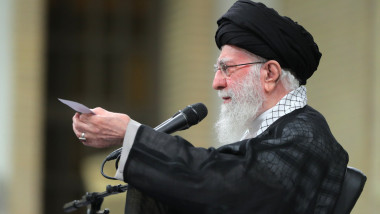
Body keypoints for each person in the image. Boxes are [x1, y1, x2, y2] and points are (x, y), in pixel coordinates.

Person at [72, 1, 348, 213]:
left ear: (270, 74)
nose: (216, 82)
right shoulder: (268, 132)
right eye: (217, 69)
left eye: (227, 69)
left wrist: (131, 134)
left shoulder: (306, 136)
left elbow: (227, 187)